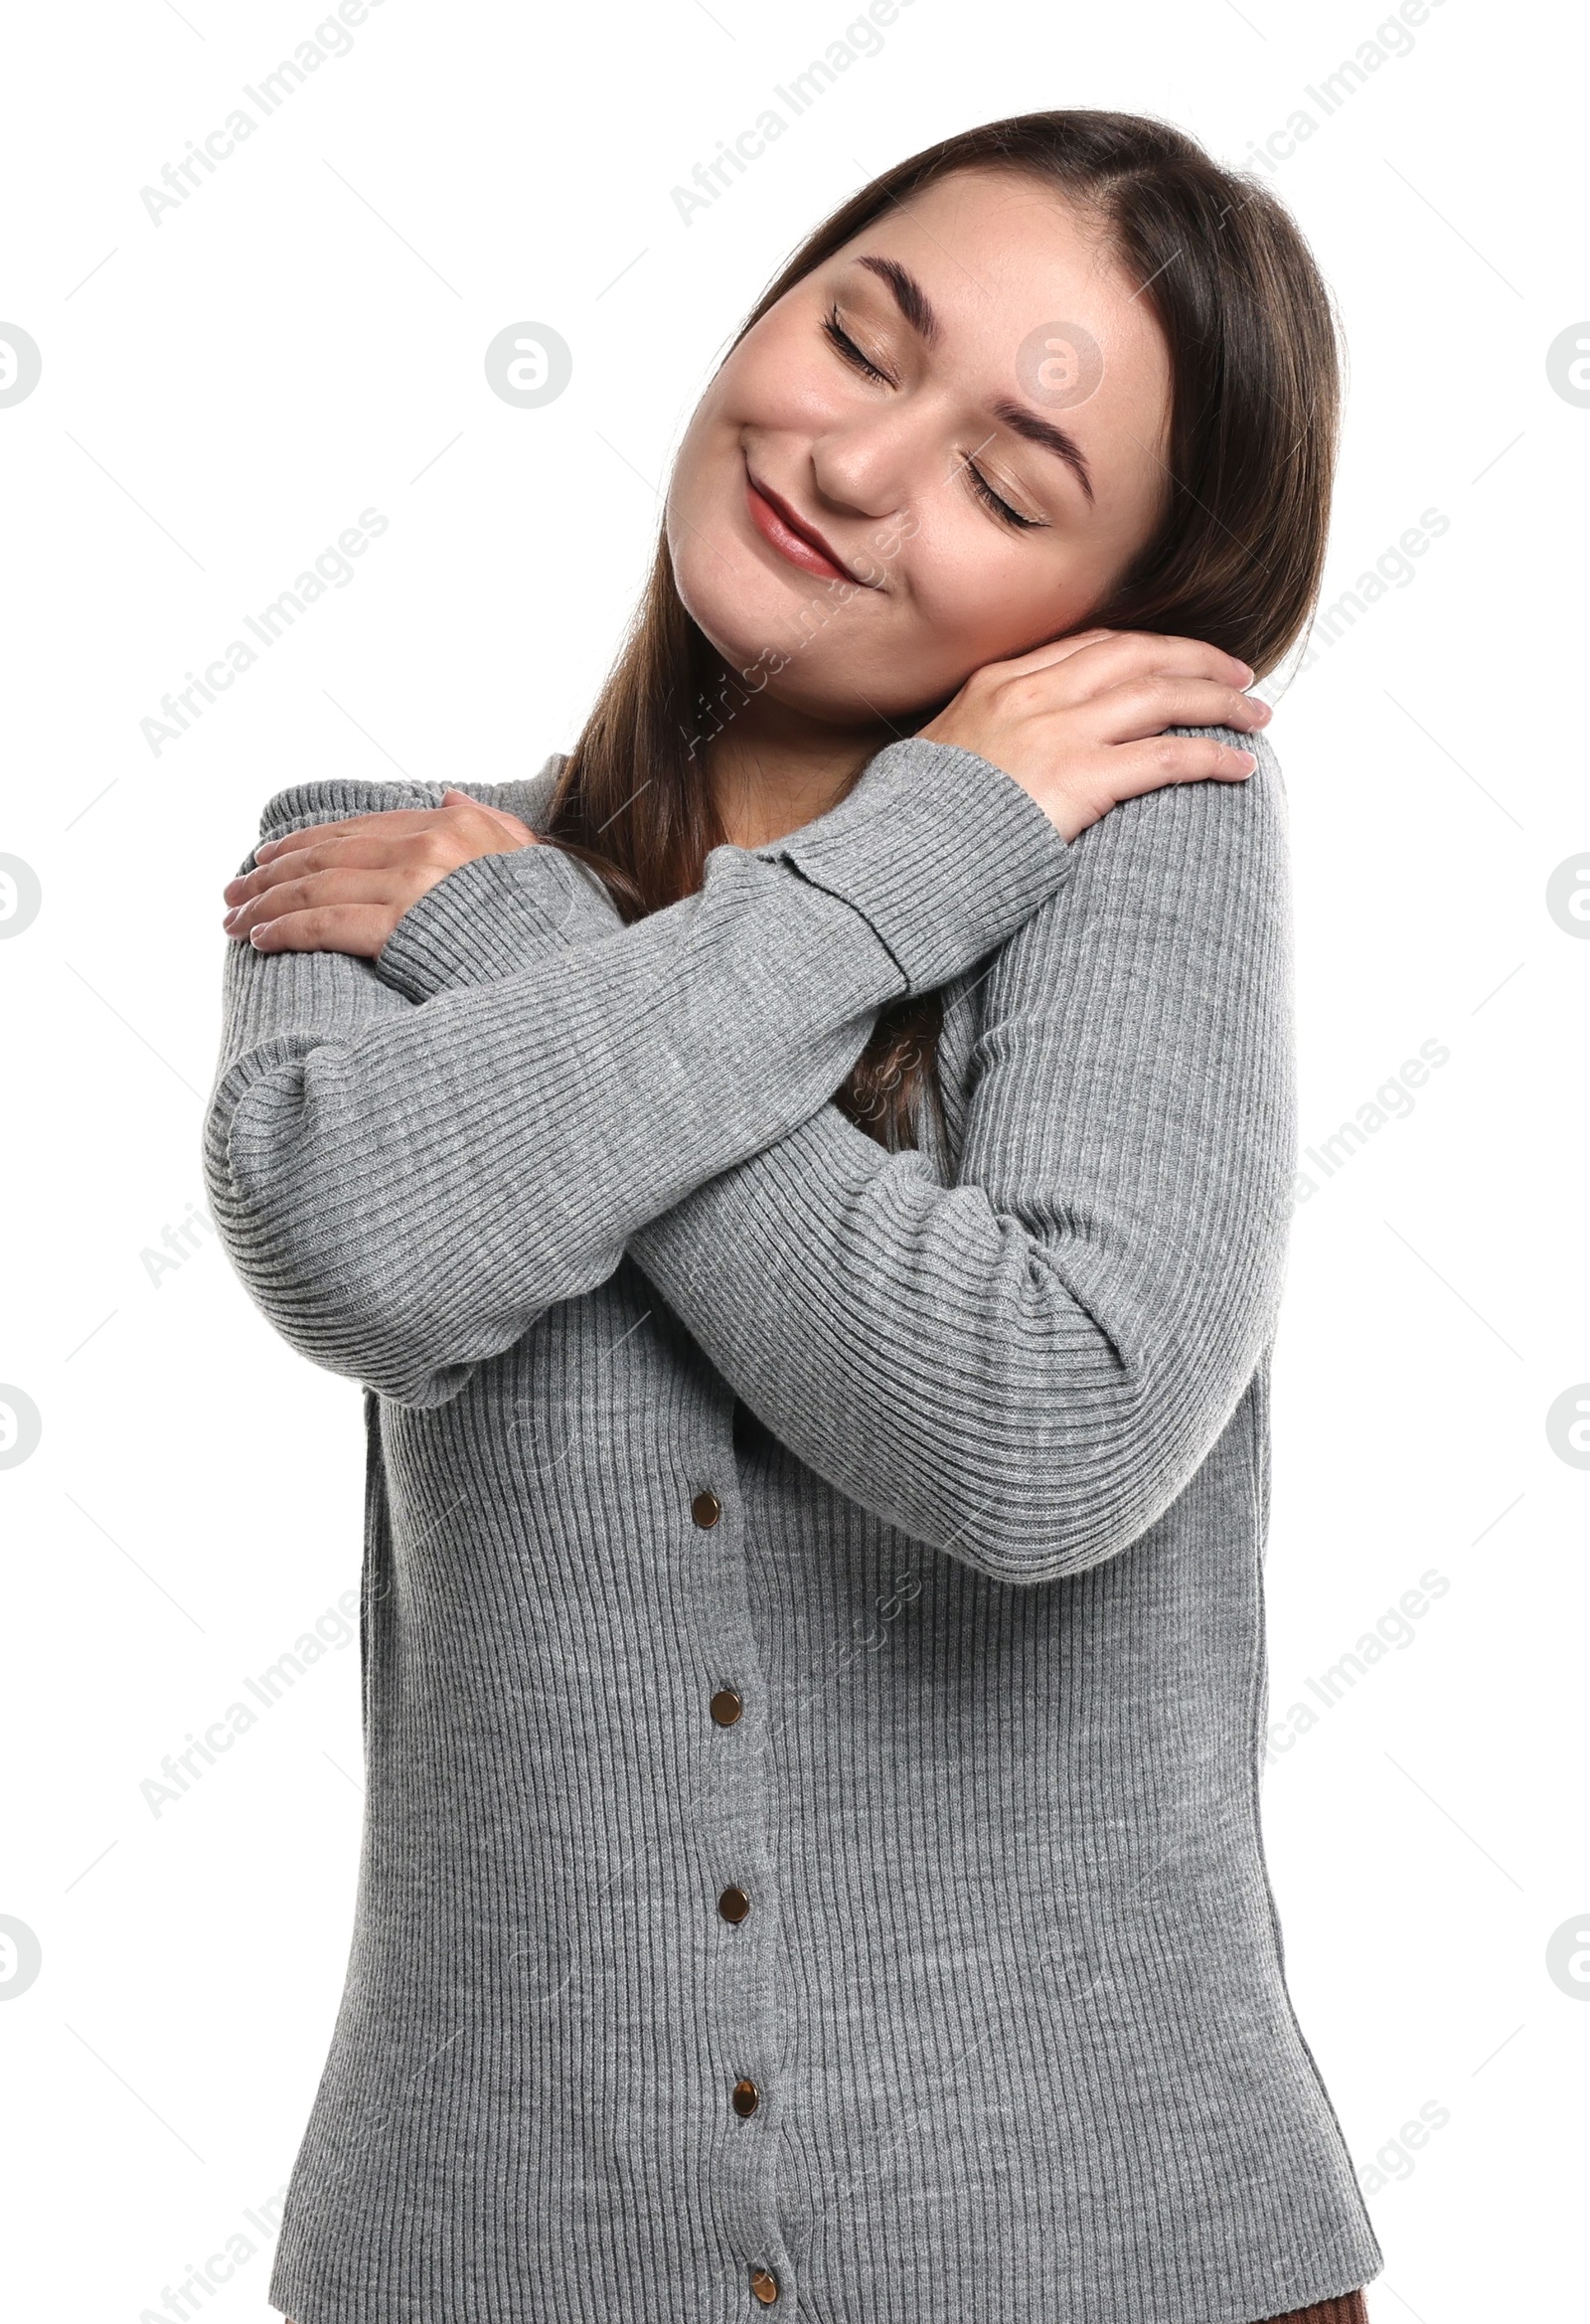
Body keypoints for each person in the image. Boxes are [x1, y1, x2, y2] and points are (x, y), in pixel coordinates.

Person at [210, 109, 1379, 2324]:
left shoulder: (1132, 842)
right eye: (859, 335)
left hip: (1122, 2256)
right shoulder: (374, 860)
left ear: (1099, 629)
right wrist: (809, 888)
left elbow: (1038, 1426)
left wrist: (544, 965)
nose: (854, 464)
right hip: (486, 2257)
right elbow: (354, 1242)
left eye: (1006, 484)